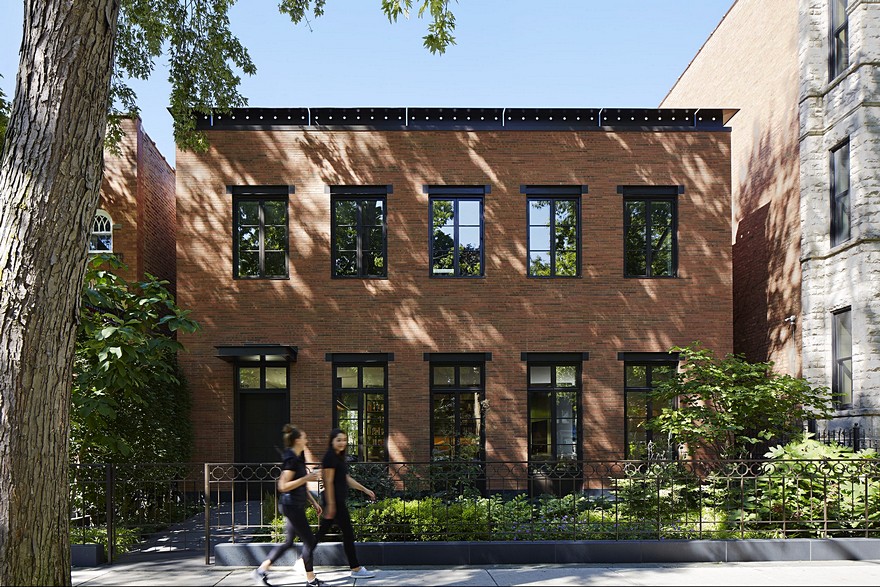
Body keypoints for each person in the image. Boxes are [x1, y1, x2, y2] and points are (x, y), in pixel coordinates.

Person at [252, 424, 324, 587]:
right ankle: (311, 580)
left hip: (294, 505)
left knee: (289, 542)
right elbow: (283, 486)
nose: (306, 439)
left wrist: (313, 502)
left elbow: (300, 484)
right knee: (310, 542)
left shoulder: (299, 456)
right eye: (304, 437)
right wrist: (307, 478)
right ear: (297, 440)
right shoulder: (291, 458)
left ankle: (261, 571)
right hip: (291, 506)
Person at [315, 428, 377, 579]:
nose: (342, 443)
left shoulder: (338, 457)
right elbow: (327, 481)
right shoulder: (330, 457)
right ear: (332, 441)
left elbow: (346, 479)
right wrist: (331, 505)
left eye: (344, 440)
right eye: (339, 440)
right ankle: (355, 568)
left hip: (337, 501)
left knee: (322, 532)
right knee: (348, 533)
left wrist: (365, 489)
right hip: (334, 501)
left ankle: (303, 557)